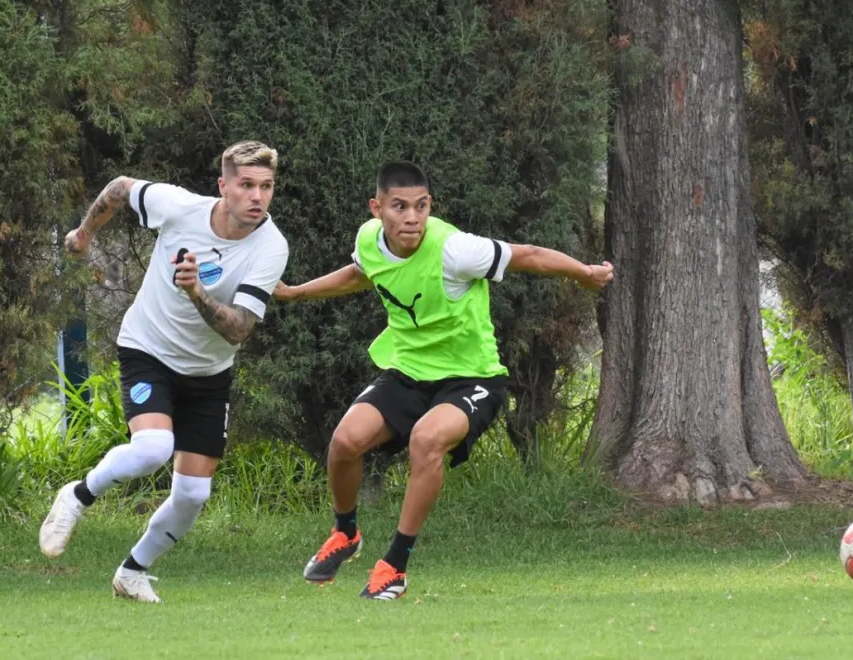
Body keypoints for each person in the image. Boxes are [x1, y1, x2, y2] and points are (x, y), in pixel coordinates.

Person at [275, 161, 613, 600]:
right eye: (399, 207)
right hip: (409, 372)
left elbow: (526, 254)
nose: (412, 217)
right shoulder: (368, 240)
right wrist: (296, 291)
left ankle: (394, 565)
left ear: (429, 206)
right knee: (344, 442)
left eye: (420, 206)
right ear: (377, 209)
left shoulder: (456, 250)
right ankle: (346, 534)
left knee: (426, 440)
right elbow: (361, 274)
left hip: (472, 378)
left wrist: (583, 273)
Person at [39, 141, 290, 604]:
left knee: (193, 494)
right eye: (247, 185)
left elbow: (238, 330)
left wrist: (197, 293)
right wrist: (83, 234)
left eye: (267, 186)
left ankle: (132, 573)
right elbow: (118, 189)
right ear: (224, 186)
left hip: (209, 373)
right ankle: (76, 496)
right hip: (147, 350)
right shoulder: (179, 207)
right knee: (153, 447)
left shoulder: (271, 247)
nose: (257, 196)